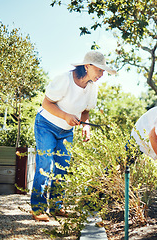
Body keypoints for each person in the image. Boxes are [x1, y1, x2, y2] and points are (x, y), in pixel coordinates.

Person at [31, 51, 116, 221]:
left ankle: (57, 207)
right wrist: (65, 116)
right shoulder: (65, 79)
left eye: (103, 71)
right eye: (99, 70)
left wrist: (85, 126)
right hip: (46, 126)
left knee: (63, 167)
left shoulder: (92, 87)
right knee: (45, 164)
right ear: (87, 66)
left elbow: (85, 110)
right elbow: (46, 103)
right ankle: (38, 208)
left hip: (66, 131)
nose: (102, 74)